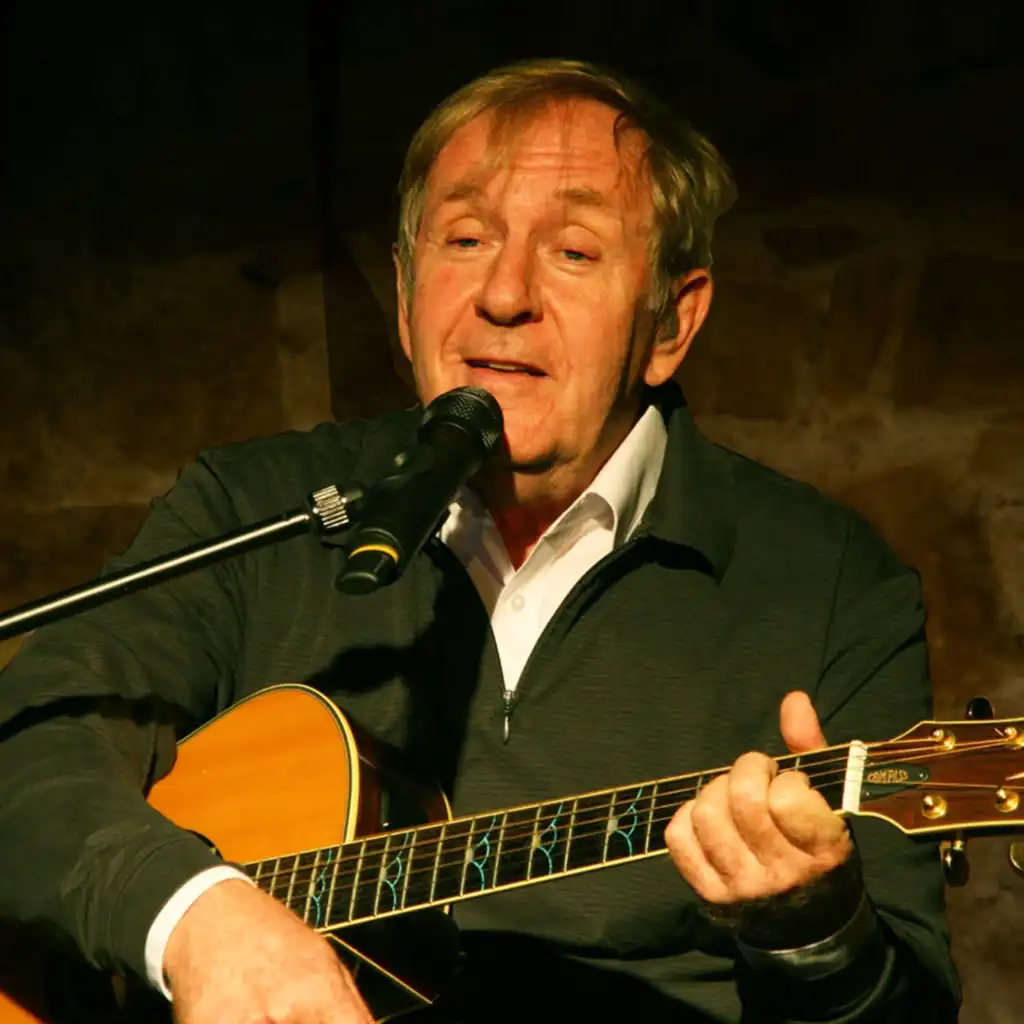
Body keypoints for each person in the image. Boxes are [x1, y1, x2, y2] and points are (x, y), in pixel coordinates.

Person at [0, 58, 961, 1023]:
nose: (504, 295)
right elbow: (26, 749)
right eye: (465, 239)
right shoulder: (255, 507)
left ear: (672, 321)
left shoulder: (834, 584)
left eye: (574, 251)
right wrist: (196, 921)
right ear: (405, 291)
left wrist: (814, 933)